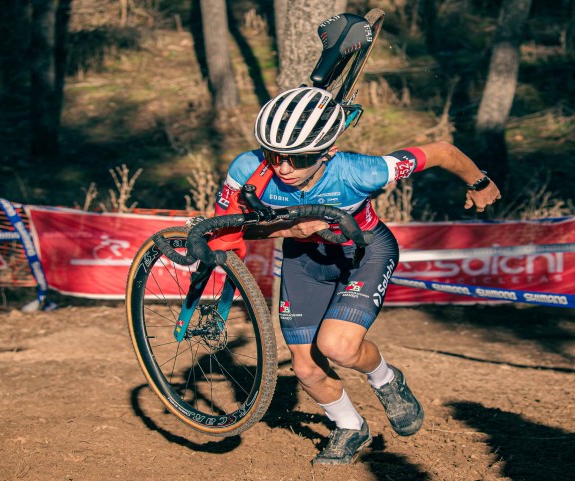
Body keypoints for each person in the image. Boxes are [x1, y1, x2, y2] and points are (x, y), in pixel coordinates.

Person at [210, 86, 501, 465]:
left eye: (298, 159)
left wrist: (479, 182)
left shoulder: (360, 171)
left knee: (339, 348)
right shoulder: (247, 168)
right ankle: (349, 426)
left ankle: (385, 379)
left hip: (363, 253)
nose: (283, 168)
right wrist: (289, 230)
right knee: (306, 368)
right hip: (303, 259)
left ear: (327, 152)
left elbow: (443, 151)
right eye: (274, 155)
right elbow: (225, 228)